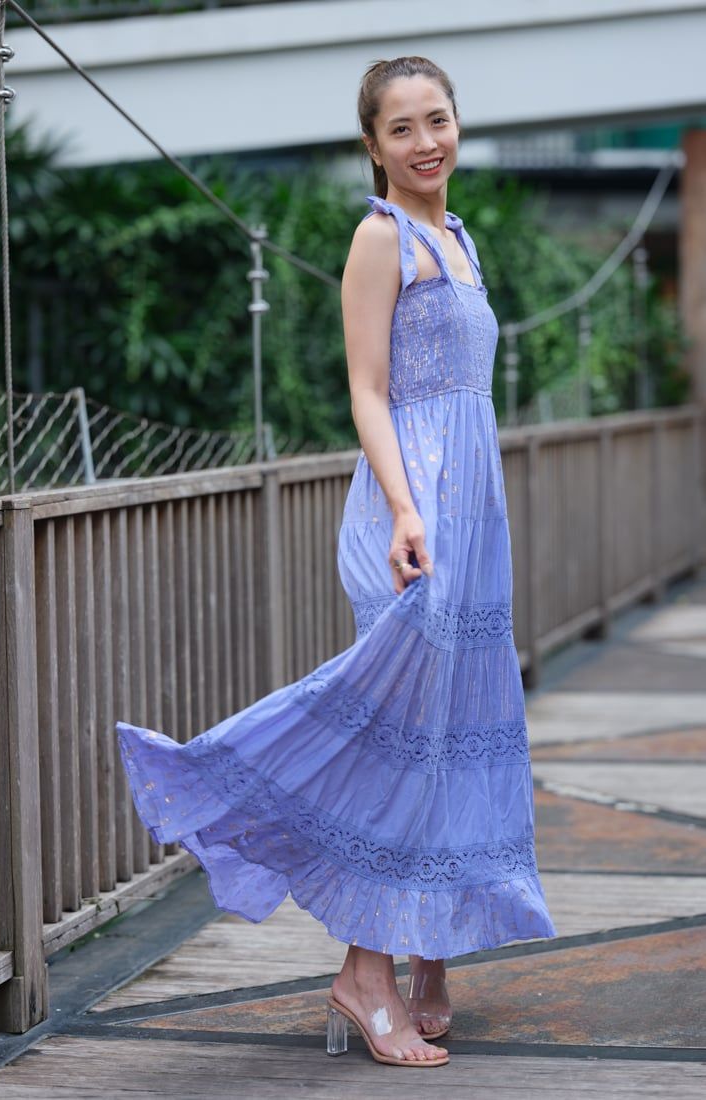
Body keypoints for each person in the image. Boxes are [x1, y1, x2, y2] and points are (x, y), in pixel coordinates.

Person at [116, 54, 556, 1070]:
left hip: (471, 515)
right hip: (414, 512)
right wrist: (405, 509)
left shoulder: (460, 239)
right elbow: (366, 387)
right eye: (400, 128)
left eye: (436, 119)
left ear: (457, 123)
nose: (424, 142)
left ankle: (430, 946)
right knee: (399, 738)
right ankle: (365, 972)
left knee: (456, 731)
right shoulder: (379, 236)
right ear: (373, 146)